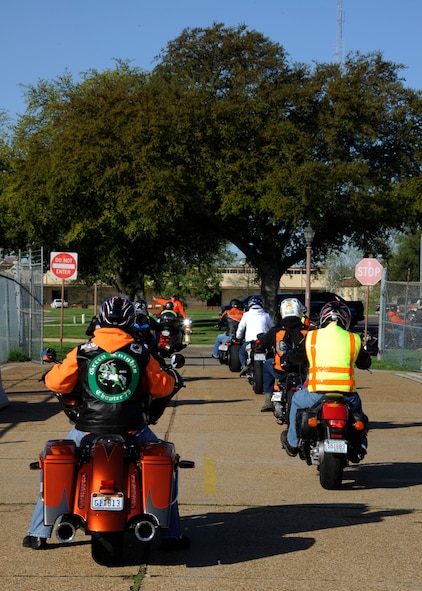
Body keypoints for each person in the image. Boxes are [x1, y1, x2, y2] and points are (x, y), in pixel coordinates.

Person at [23, 296, 189, 551]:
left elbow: (56, 384)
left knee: (55, 463)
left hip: (88, 428)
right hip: (133, 428)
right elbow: (161, 387)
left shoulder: (83, 351)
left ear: (100, 319)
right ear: (131, 321)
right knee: (167, 465)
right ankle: (172, 535)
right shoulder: (140, 352)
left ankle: (37, 533)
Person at [281, 300, 371, 457]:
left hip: (317, 392)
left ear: (323, 318)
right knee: (358, 414)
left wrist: (289, 358)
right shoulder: (353, 339)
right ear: (346, 319)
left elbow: (298, 357)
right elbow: (365, 362)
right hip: (347, 395)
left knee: (295, 400)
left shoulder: (312, 337)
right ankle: (360, 445)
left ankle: (293, 443)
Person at [258, 298, 310, 412]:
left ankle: (267, 399)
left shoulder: (276, 330)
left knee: (267, 364)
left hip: (281, 370)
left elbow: (262, 344)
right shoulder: (308, 331)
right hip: (302, 370)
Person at [235, 296, 274, 376]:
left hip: (250, 341)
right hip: (263, 340)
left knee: (241, 352)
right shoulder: (266, 315)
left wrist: (238, 337)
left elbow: (241, 328)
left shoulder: (246, 315)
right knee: (270, 353)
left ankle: (244, 366)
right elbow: (272, 328)